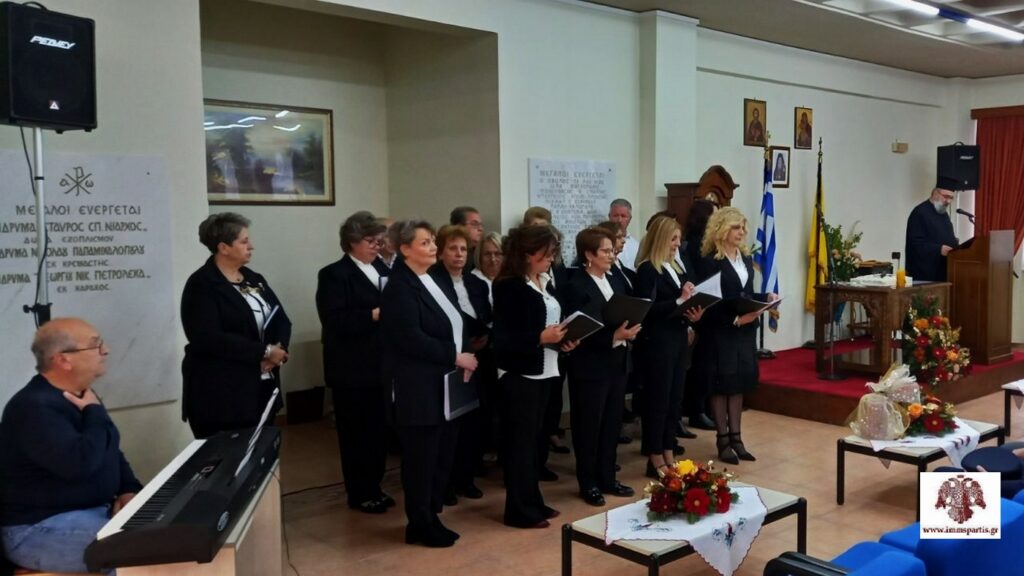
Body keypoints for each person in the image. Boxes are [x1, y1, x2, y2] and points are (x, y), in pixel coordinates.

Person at [0, 318, 142, 574]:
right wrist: (94, 414)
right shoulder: (33, 407)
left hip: (92, 512)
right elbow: (79, 464)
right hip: (37, 528)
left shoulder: (84, 395)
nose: (106, 350)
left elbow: (110, 449)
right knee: (139, 553)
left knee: (167, 540)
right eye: (96, 344)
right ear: (63, 360)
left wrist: (128, 489)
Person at [380, 220, 478, 548]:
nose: (433, 247)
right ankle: (419, 523)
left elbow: (456, 322)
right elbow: (410, 338)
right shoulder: (399, 287)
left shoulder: (432, 279)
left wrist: (467, 352)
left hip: (445, 382)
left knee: (441, 455)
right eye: (425, 243)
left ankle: (432, 515)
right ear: (404, 249)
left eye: (433, 241)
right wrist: (455, 356)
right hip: (417, 387)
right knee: (421, 459)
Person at [492, 224, 578, 529]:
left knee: (535, 442)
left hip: (546, 369)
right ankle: (518, 510)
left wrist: (564, 341)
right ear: (528, 253)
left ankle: (533, 501)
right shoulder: (508, 287)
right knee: (520, 444)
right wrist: (541, 337)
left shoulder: (544, 282)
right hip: (520, 374)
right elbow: (504, 338)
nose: (552, 258)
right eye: (547, 252)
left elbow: (552, 325)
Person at [181, 213, 291, 439]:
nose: (251, 246)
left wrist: (278, 351)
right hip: (223, 394)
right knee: (229, 456)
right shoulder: (202, 285)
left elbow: (280, 319)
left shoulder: (254, 278)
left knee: (262, 451)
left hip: (262, 386)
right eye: (244, 241)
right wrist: (264, 352)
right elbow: (208, 338)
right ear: (223, 247)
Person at [315, 211, 394, 515]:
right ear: (352, 241)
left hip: (381, 365)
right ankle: (359, 492)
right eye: (370, 240)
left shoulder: (382, 269)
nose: (376, 245)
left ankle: (375, 486)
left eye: (378, 240)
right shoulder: (334, 274)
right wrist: (372, 315)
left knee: (378, 432)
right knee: (355, 434)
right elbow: (334, 320)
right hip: (351, 368)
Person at [564, 227, 641, 506]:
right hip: (590, 364)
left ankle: (608, 477)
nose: (611, 255)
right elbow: (577, 328)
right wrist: (612, 336)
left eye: (611, 250)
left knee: (611, 423)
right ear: (588, 255)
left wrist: (629, 329)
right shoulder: (576, 285)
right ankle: (588, 482)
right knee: (588, 425)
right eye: (605, 251)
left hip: (617, 361)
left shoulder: (615, 281)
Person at [698, 207, 778, 465]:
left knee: (739, 383)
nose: (741, 232)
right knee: (722, 384)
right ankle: (723, 441)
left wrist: (765, 298)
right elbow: (709, 301)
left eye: (743, 227)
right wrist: (734, 319)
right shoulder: (710, 261)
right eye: (736, 227)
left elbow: (746, 294)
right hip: (721, 331)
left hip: (745, 331)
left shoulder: (744, 258)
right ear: (721, 228)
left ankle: (737, 439)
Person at [634, 216, 703, 478]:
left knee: (674, 400)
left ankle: (668, 451)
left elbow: (681, 303)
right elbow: (646, 309)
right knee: (658, 401)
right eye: (673, 239)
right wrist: (679, 301)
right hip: (657, 343)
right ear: (661, 238)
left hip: (677, 340)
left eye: (679, 238)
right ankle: (654, 456)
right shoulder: (647, 270)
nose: (677, 244)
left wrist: (693, 311)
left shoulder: (675, 267)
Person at [429, 225, 492, 502]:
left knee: (473, 420)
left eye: (463, 249)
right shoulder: (434, 282)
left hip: (479, 357)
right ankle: (445, 484)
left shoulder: (476, 283)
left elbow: (486, 315)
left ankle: (466, 477)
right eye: (452, 248)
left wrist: (485, 336)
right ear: (441, 252)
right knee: (449, 426)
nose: (459, 254)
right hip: (449, 358)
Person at [681, 200, 718, 432]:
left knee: (707, 363)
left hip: (707, 307)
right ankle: (696, 409)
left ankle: (704, 407)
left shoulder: (709, 243)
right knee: (699, 364)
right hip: (698, 309)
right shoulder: (695, 245)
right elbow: (696, 276)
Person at [905, 185, 959, 282]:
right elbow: (915, 244)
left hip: (944, 273)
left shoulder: (944, 214)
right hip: (924, 276)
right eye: (946, 196)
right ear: (935, 193)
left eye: (951, 198)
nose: (948, 201)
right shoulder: (920, 212)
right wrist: (939, 249)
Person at [449, 206, 484, 273]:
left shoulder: (481, 253)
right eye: (475, 224)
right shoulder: (448, 253)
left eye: (481, 225)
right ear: (459, 226)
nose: (480, 229)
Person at [609, 199, 639, 272]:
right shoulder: (603, 244)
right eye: (616, 216)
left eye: (623, 216)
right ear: (609, 217)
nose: (619, 220)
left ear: (630, 219)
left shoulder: (636, 245)